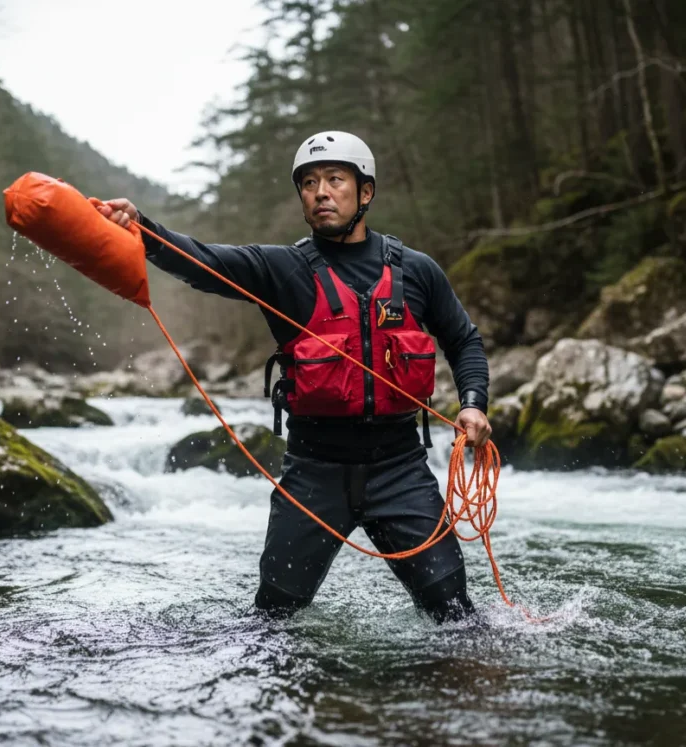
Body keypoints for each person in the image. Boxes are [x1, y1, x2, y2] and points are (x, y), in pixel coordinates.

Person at [96, 131, 491, 623]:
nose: (320, 191)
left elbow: (463, 340)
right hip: (313, 474)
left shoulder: (417, 270)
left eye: (334, 179)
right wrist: (142, 228)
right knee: (272, 621)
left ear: (365, 192)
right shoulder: (281, 268)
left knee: (457, 616)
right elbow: (202, 261)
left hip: (400, 470)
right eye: (308, 182)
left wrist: (473, 402)